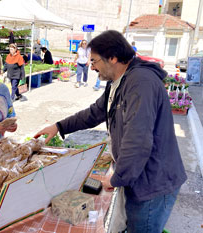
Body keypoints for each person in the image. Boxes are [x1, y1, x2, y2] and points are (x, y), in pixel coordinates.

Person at [34, 30, 187, 233]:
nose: (91, 65)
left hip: (153, 184)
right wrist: (59, 126)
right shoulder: (119, 82)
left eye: (95, 60)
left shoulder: (140, 83)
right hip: (140, 177)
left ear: (113, 58)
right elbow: (94, 113)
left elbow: (138, 140)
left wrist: (117, 178)